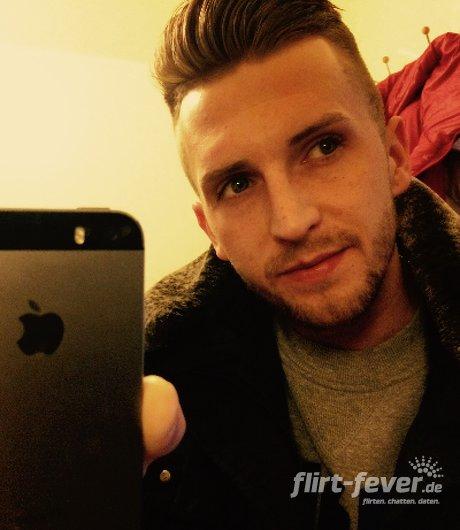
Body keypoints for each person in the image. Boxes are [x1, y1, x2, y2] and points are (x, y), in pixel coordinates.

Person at [141, 1, 459, 529]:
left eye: (324, 147)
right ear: (210, 229)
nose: (291, 221)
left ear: (395, 157)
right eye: (238, 184)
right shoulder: (155, 370)